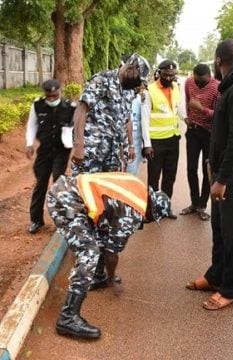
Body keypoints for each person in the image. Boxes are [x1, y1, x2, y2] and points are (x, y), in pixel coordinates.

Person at [47, 172, 171, 339]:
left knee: (100, 235)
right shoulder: (133, 211)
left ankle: (97, 277)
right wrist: (112, 278)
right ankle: (67, 317)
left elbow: (107, 226)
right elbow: (112, 252)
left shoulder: (137, 188)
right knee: (89, 252)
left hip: (68, 189)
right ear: (151, 209)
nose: (147, 220)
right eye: (150, 217)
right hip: (67, 202)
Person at [186, 39, 233, 310]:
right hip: (224, 170)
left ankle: (230, 289)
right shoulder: (232, 86)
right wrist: (212, 165)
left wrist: (223, 179)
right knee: (220, 229)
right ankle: (216, 275)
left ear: (218, 61)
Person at [71, 53, 150, 176]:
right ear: (130, 70)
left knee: (109, 191)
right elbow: (81, 110)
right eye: (138, 79)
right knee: (85, 191)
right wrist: (78, 145)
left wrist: (130, 145)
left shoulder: (129, 91)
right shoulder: (102, 80)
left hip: (113, 155)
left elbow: (127, 118)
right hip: (92, 152)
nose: (138, 84)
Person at [26, 79, 76, 234]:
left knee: (58, 181)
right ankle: (36, 220)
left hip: (61, 150)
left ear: (59, 92)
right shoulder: (37, 105)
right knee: (40, 183)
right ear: (45, 94)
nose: (52, 99)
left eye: (55, 95)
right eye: (49, 96)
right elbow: (32, 125)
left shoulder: (70, 106)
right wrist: (29, 143)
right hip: (44, 150)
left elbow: (76, 128)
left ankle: (62, 218)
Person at [141, 59, 182, 219]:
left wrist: (186, 118)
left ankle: (165, 207)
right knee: (153, 177)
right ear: (159, 73)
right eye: (166, 75)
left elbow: (177, 109)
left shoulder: (176, 87)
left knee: (170, 176)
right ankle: (151, 210)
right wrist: (147, 144)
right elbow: (144, 119)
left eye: (172, 75)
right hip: (155, 142)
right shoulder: (148, 91)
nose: (170, 78)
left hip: (173, 139)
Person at [179, 63, 219, 221]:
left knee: (206, 170)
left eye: (201, 81)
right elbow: (188, 102)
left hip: (209, 133)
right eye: (196, 80)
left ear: (209, 77)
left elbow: (219, 114)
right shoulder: (189, 82)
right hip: (193, 131)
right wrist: (187, 118)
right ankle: (194, 202)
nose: (198, 83)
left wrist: (201, 109)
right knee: (190, 168)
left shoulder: (217, 87)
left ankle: (203, 205)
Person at [126, 82, 148, 176]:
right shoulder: (119, 98)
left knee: (132, 173)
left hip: (136, 144)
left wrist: (145, 145)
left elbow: (145, 124)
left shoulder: (142, 101)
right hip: (121, 143)